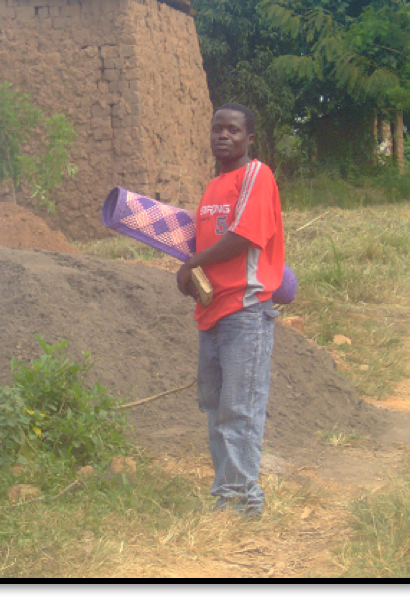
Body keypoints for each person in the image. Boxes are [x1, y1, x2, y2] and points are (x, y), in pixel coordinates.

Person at [175, 103, 285, 517]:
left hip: (246, 308)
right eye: (217, 129)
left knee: (240, 405)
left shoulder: (257, 175)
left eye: (233, 130)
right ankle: (228, 493)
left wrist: (193, 263)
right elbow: (207, 250)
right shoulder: (212, 188)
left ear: (249, 139)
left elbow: (245, 236)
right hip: (213, 309)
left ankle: (241, 500)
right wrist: (193, 279)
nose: (223, 136)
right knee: (217, 406)